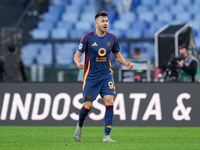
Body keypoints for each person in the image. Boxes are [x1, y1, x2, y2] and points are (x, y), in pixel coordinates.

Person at [73, 11, 134, 142]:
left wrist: (127, 64)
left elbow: (117, 56)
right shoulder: (87, 38)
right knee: (88, 106)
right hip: (91, 76)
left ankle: (107, 136)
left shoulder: (112, 38)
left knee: (109, 100)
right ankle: (80, 125)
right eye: (102, 21)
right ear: (96, 23)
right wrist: (78, 64)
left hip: (106, 74)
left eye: (106, 21)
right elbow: (77, 55)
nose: (105, 23)